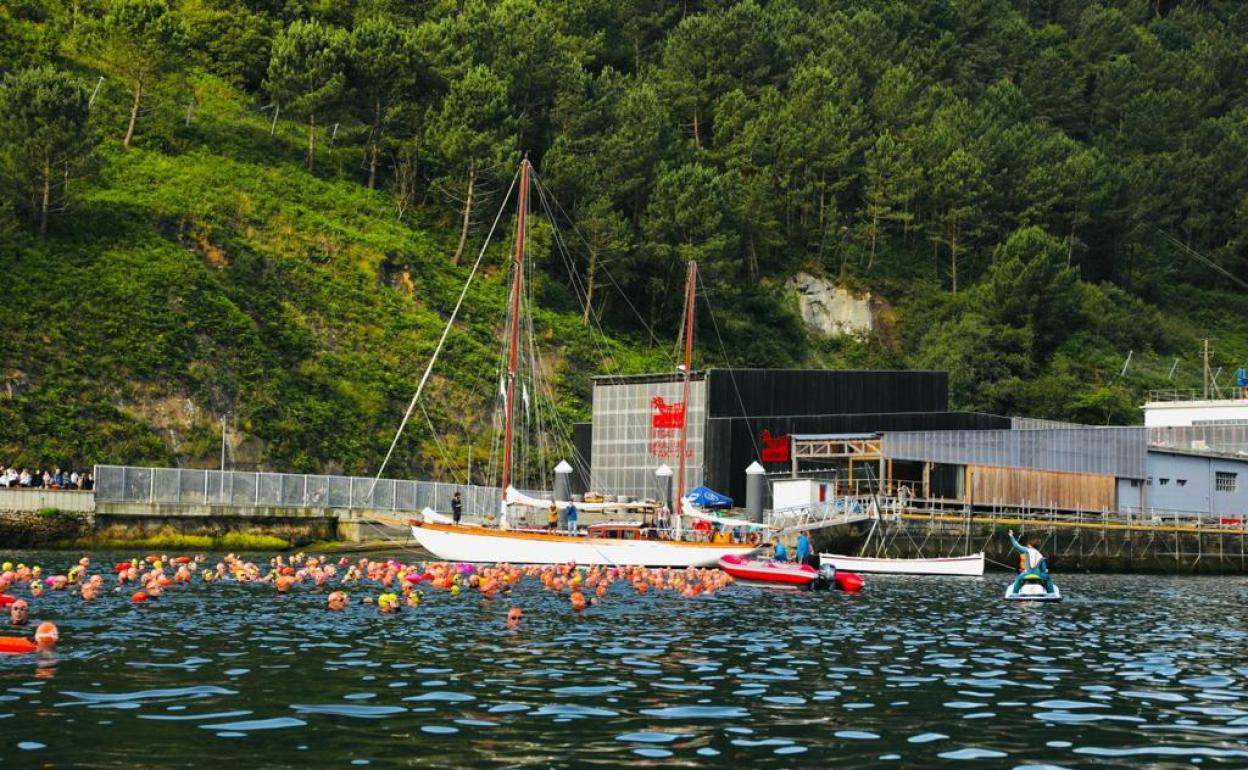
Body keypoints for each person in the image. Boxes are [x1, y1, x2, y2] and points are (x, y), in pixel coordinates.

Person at [1007, 529, 1054, 593]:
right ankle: (1051, 593)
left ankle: (1014, 593)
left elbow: (1016, 545)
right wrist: (1045, 571)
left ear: (1030, 545)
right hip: (1038, 575)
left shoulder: (1027, 550)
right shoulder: (1040, 555)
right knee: (1048, 578)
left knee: (1018, 579)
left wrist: (1011, 536)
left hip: (1027, 574)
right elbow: (1044, 569)